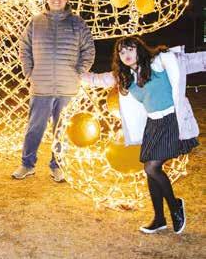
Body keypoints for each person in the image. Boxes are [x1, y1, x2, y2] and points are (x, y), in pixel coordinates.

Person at [81, 37, 203, 234]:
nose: (127, 55)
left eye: (130, 49)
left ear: (139, 49)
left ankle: (175, 205)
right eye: (122, 52)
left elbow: (194, 61)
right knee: (151, 170)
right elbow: (97, 80)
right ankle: (159, 219)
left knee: (151, 167)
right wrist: (72, 73)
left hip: (170, 120)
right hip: (153, 124)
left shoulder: (158, 62)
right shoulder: (125, 76)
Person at [12, 0, 95, 182]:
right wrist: (29, 72)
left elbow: (89, 50)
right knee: (34, 128)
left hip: (68, 88)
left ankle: (57, 165)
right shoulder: (36, 22)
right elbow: (24, 48)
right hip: (41, 86)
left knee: (62, 129)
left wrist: (77, 72)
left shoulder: (77, 23)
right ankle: (27, 164)